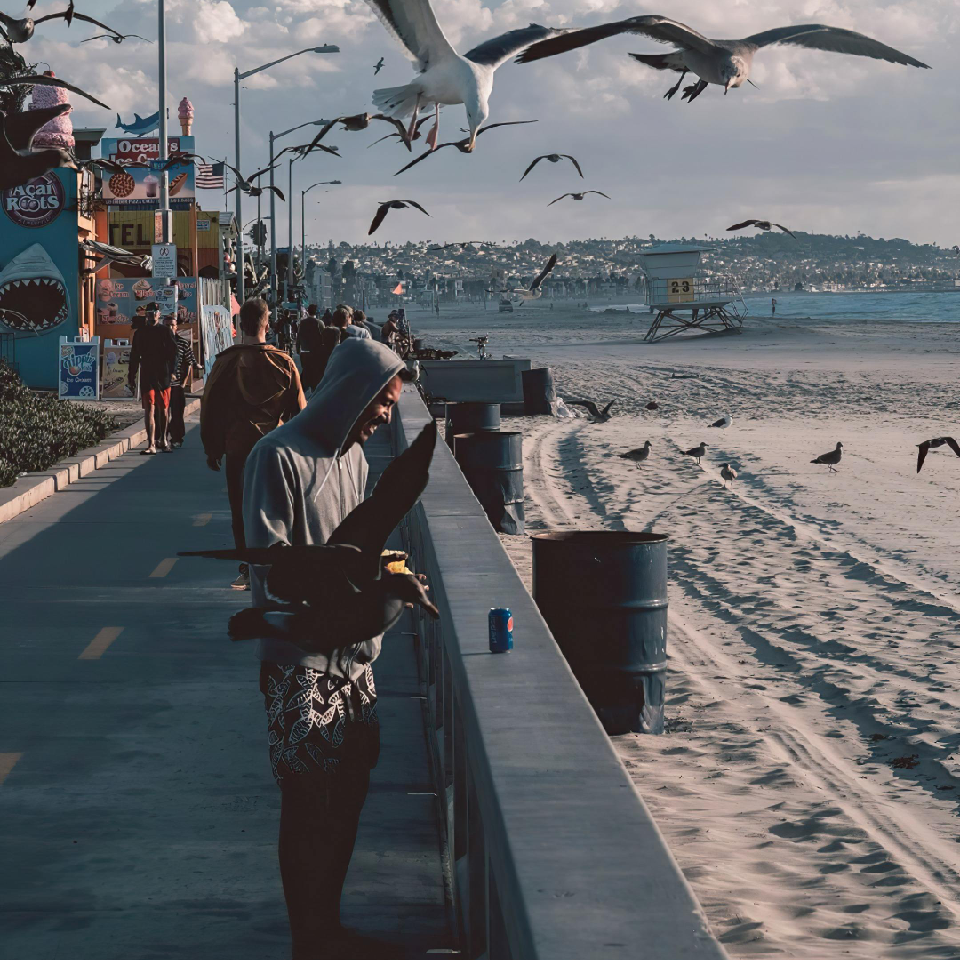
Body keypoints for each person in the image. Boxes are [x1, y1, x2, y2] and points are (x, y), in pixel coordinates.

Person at [243, 339, 413, 960]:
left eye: (393, 406)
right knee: (307, 802)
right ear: (350, 391)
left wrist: (387, 578)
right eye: (381, 402)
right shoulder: (277, 456)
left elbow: (361, 554)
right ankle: (307, 935)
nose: (386, 417)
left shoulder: (358, 463)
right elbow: (269, 567)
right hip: (300, 663)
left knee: (347, 799)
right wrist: (341, 582)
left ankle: (328, 927)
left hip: (357, 663)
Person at [200, 298, 305, 589]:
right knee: (281, 508)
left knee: (241, 510)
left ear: (238, 325)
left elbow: (209, 408)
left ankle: (249, 568)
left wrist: (212, 448)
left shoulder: (224, 363)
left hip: (238, 449)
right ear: (267, 325)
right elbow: (301, 412)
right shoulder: (284, 363)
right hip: (277, 450)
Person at [128, 302, 178, 455]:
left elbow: (174, 353)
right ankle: (151, 444)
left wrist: (172, 371)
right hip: (147, 374)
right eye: (149, 312)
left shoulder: (165, 331)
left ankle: (163, 439)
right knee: (149, 408)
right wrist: (132, 375)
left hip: (163, 374)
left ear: (159, 314)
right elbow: (135, 355)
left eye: (154, 312)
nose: (151, 315)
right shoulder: (140, 333)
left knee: (163, 409)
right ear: (146, 315)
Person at [163, 313, 199, 449]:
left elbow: (189, 362)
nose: (169, 328)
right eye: (167, 325)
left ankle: (177, 438)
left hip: (177, 385)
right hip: (162, 385)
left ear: (176, 327)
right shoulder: (158, 343)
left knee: (177, 414)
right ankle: (162, 438)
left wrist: (183, 382)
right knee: (162, 413)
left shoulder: (182, 343)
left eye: (172, 325)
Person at [298, 304, 325, 392]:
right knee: (315, 373)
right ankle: (313, 391)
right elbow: (323, 338)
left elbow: (299, 336)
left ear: (308, 311)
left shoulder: (302, 322)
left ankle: (303, 390)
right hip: (316, 353)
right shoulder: (320, 323)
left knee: (306, 371)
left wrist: (298, 349)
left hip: (304, 352)